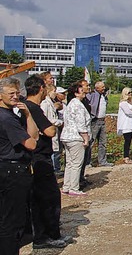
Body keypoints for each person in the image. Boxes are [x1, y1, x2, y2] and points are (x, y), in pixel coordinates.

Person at [24, 76, 70, 249]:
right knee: (48, 198)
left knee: (36, 199)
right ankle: (48, 236)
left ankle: (39, 235)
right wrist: (50, 126)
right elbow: (49, 131)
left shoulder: (24, 107)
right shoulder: (33, 108)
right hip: (40, 158)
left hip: (32, 158)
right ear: (41, 88)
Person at [0, 77, 39, 255]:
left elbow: (34, 136)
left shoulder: (12, 116)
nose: (16, 97)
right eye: (11, 93)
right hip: (12, 170)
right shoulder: (6, 118)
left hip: (10, 168)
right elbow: (31, 144)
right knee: (12, 221)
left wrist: (28, 115)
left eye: (17, 93)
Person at [60, 81, 91, 196]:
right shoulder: (77, 105)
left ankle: (66, 186)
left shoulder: (70, 104)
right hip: (75, 137)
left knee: (69, 163)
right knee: (77, 163)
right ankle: (74, 187)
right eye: (81, 91)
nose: (84, 92)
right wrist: (86, 138)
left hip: (67, 136)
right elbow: (80, 124)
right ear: (76, 93)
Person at [86, 81, 113, 167]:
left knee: (103, 142)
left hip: (102, 121)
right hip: (95, 121)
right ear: (97, 88)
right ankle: (87, 162)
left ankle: (102, 161)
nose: (104, 88)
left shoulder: (104, 96)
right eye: (102, 87)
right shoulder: (93, 94)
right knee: (91, 142)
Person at [117, 88, 132, 164]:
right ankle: (126, 156)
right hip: (126, 124)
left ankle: (128, 156)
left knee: (129, 141)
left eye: (131, 92)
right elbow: (128, 112)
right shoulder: (123, 103)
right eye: (129, 93)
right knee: (127, 140)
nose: (131, 94)